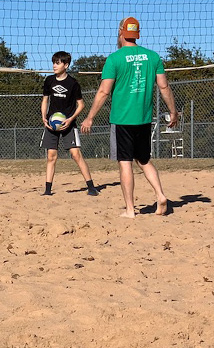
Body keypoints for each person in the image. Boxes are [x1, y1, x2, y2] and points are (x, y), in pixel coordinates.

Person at [81, 17, 178, 218]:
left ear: (121, 33)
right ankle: (160, 195)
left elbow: (103, 92)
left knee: (125, 163)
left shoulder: (114, 59)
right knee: (144, 160)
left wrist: (90, 117)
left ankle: (130, 210)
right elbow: (164, 87)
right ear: (137, 34)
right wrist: (173, 112)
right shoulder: (153, 57)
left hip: (122, 120)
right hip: (143, 119)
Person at [40, 51, 99, 197]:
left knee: (75, 154)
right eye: (53, 62)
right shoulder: (49, 80)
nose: (54, 65)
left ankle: (91, 187)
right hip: (52, 124)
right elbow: (45, 100)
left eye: (58, 63)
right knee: (51, 156)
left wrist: (70, 119)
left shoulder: (73, 83)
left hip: (68, 124)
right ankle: (47, 190)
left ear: (66, 65)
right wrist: (44, 117)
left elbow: (81, 105)